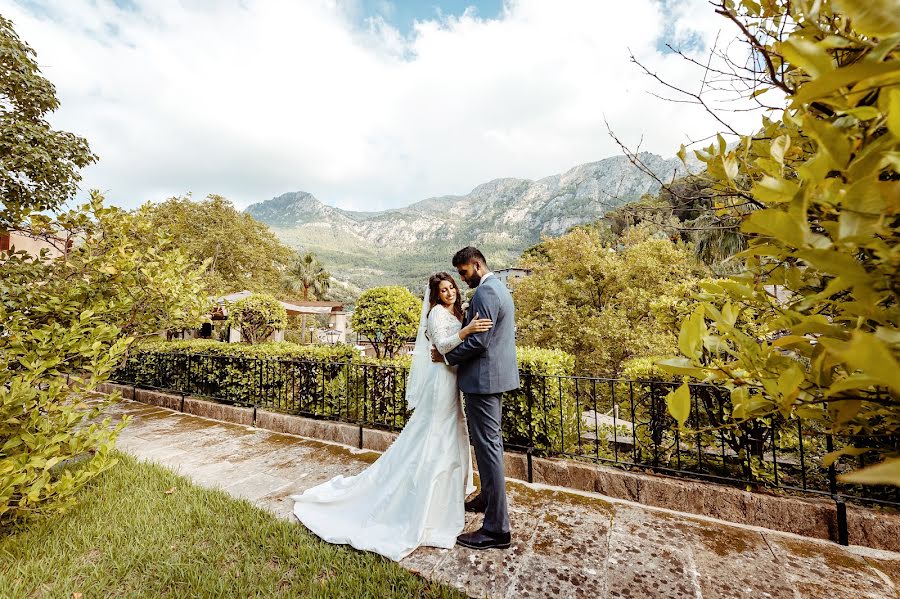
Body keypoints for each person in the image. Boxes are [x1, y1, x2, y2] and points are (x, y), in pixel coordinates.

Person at [291, 272, 493, 561]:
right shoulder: (436, 313)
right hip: (440, 382)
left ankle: (446, 495)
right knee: (435, 432)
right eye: (444, 290)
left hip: (453, 380)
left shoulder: (456, 311)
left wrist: (466, 330)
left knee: (451, 431)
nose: (450, 293)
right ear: (435, 295)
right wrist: (468, 331)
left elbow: (452, 350)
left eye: (452, 288)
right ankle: (424, 497)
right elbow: (444, 345)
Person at [433, 246, 519, 550]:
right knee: (487, 447)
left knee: (488, 449)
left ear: (477, 265)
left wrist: (446, 357)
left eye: (464, 272)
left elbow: (480, 342)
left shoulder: (485, 293)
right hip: (492, 379)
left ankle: (497, 529)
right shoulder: (499, 288)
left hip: (483, 381)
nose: (462, 278)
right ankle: (485, 499)